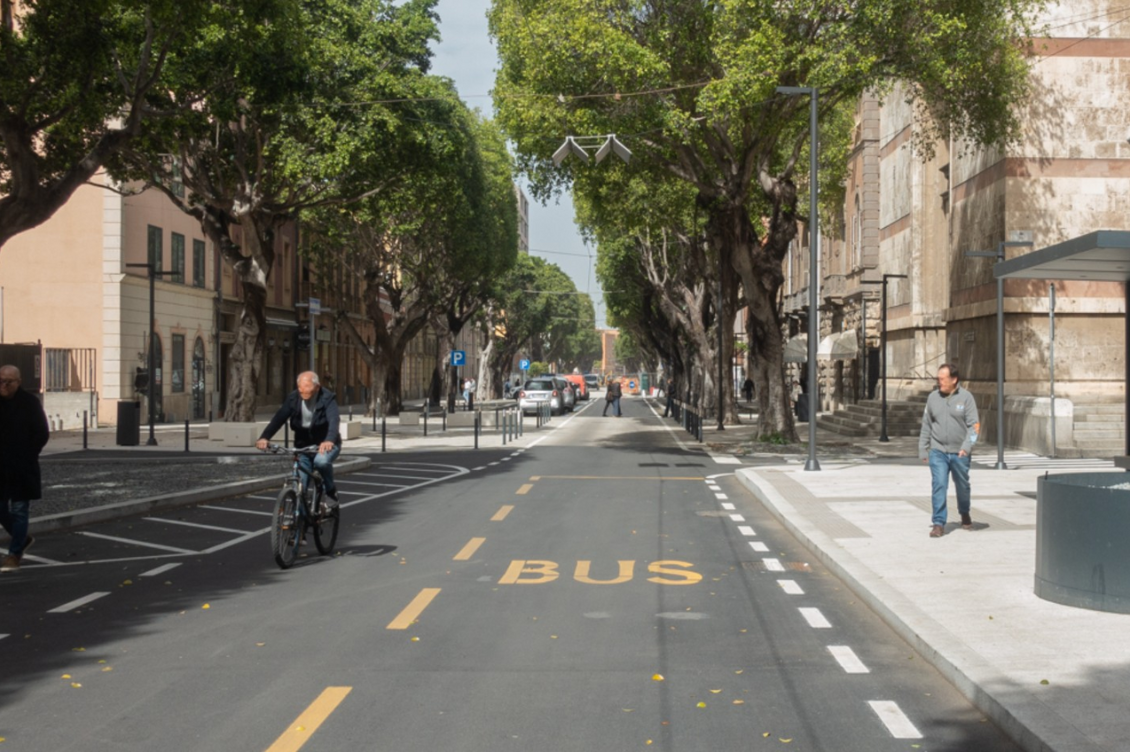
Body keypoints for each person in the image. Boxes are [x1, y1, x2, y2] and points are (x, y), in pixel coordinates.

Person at [256, 371, 342, 511]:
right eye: (300, 388)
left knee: (321, 462)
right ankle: (298, 526)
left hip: (325, 444)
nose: (302, 392)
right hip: (303, 446)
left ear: (317, 387)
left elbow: (334, 420)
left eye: (307, 387)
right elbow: (279, 418)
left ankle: (330, 492)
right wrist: (264, 437)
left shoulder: (327, 398)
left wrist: (329, 440)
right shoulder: (293, 398)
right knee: (299, 489)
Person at [919, 363, 980, 538]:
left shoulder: (966, 398)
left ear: (954, 380)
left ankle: (964, 511)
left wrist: (967, 447)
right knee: (939, 484)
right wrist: (923, 448)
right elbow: (926, 424)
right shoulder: (932, 398)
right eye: (938, 379)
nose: (939, 382)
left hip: (959, 452)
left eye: (942, 379)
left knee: (962, 486)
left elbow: (974, 426)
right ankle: (938, 523)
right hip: (938, 450)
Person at [0, 365, 50, 572]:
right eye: (0, 381)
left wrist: (29, 453)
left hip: (22, 465)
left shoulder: (30, 403)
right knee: (1, 509)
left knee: (20, 510)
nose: (3, 385)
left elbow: (41, 432)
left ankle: (15, 554)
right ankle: (22, 537)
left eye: (8, 382)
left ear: (18, 382)